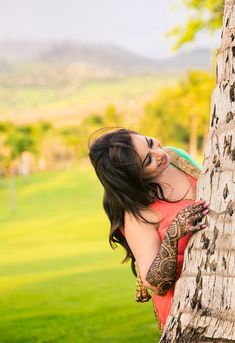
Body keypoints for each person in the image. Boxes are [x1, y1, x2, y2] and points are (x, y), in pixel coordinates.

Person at [88, 128, 208, 333]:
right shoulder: (137, 214)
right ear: (132, 177)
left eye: (150, 143)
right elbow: (156, 285)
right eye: (147, 162)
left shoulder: (176, 157)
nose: (159, 154)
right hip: (188, 307)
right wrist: (172, 235)